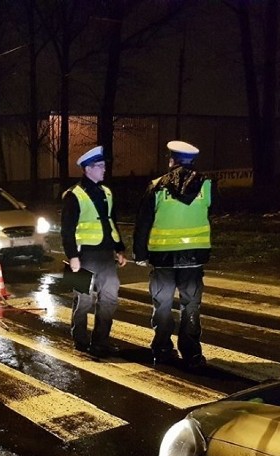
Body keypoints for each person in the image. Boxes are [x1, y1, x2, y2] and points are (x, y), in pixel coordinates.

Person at [132, 140, 218, 370]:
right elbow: (211, 213)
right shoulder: (207, 186)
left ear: (172, 160)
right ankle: (191, 353)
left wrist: (140, 253)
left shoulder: (156, 186)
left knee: (162, 304)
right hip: (193, 258)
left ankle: (161, 349)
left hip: (162, 258)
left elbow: (143, 223)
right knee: (191, 306)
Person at [60, 145, 128, 358]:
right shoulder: (73, 195)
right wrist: (72, 256)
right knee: (84, 300)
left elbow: (111, 222)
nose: (104, 169)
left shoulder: (106, 192)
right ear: (88, 168)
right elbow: (67, 229)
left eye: (104, 165)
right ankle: (80, 339)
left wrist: (119, 249)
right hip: (83, 256)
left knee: (109, 298)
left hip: (106, 255)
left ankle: (101, 341)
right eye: (100, 166)